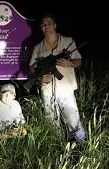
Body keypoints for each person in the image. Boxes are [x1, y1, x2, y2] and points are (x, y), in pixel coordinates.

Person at [28, 13, 87, 142]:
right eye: (43, 25)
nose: (46, 26)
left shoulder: (68, 41)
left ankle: (83, 146)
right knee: (52, 124)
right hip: (47, 91)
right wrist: (39, 78)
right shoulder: (38, 48)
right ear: (41, 28)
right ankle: (57, 149)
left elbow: (79, 61)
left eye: (49, 23)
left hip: (66, 90)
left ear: (55, 25)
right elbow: (31, 69)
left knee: (74, 121)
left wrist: (70, 63)